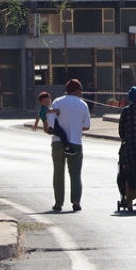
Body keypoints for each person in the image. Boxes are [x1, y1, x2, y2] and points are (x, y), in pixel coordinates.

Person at [47, 79, 92, 212]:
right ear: (78, 91)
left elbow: (50, 120)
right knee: (75, 173)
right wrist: (76, 127)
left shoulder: (57, 102)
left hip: (57, 142)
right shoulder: (83, 104)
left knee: (58, 173)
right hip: (75, 142)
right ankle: (76, 201)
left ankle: (58, 203)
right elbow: (86, 126)